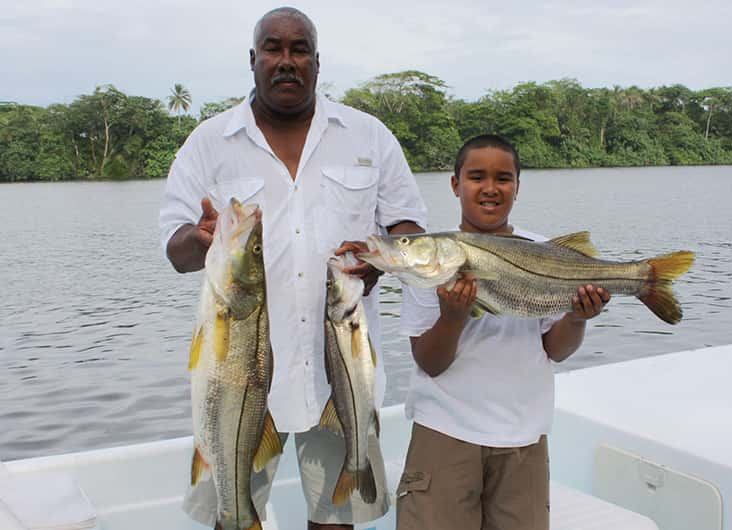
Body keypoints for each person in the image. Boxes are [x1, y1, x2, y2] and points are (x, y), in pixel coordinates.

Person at [158, 7, 426, 530]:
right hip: (236, 379)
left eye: (299, 49)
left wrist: (381, 255)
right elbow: (176, 249)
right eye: (274, 49)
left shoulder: (369, 136)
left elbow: (408, 226)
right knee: (231, 515)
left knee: (335, 522)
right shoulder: (208, 143)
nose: (286, 61)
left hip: (342, 377)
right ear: (253, 59)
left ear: (318, 62)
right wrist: (201, 239)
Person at [395, 135, 609, 530]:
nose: (490, 188)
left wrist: (577, 317)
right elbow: (429, 362)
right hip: (445, 432)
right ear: (455, 183)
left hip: (524, 438)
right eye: (476, 177)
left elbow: (556, 350)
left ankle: (642, 277)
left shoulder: (545, 251)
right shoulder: (431, 261)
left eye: (503, 178)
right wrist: (453, 317)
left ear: (517, 187)